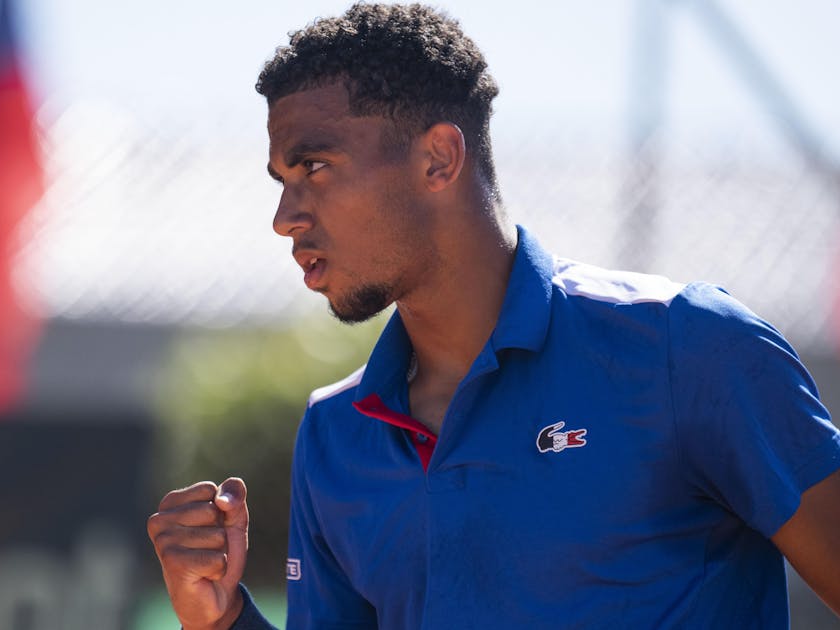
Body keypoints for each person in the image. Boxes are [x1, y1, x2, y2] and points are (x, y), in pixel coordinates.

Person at [147, 3, 840, 628]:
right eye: (282, 183)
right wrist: (220, 618)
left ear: (440, 158)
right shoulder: (334, 436)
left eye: (315, 167)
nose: (284, 219)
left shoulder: (687, 348)